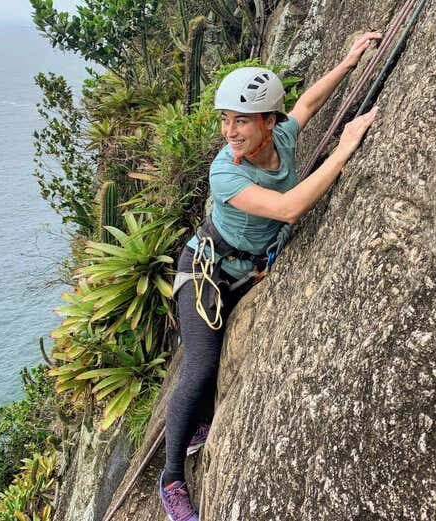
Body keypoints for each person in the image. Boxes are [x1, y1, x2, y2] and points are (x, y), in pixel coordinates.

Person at [158, 31, 382, 521]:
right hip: (205, 272)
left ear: (267, 121)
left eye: (241, 120)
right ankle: (172, 476)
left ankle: (193, 422)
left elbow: (306, 102)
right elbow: (288, 207)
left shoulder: (283, 135)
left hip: (248, 271)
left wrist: (347, 60)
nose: (230, 132)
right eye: (225, 120)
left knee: (211, 370)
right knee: (199, 367)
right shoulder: (227, 173)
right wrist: (344, 149)